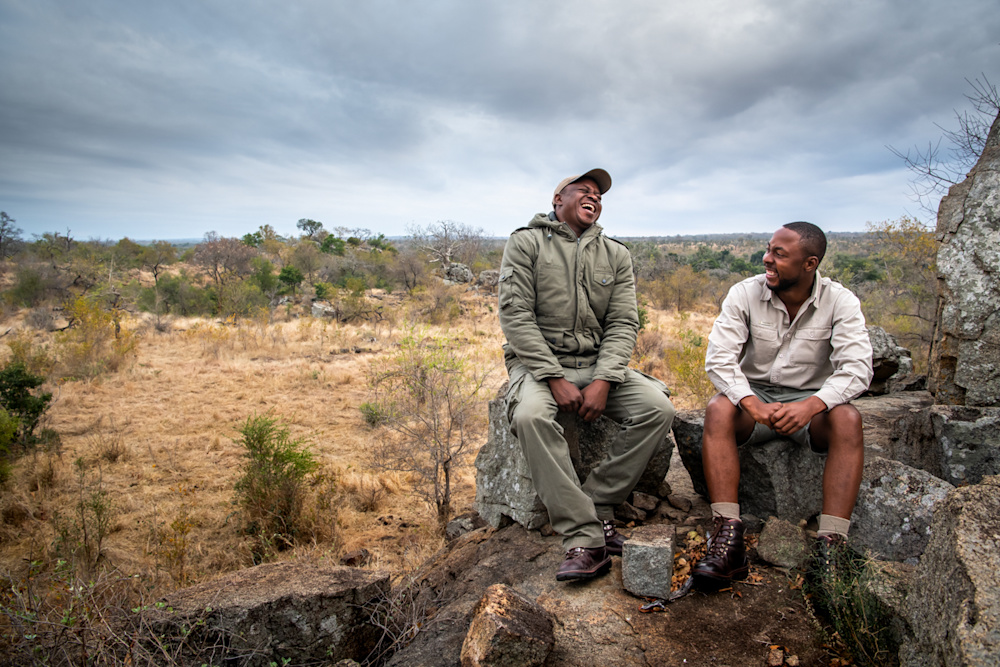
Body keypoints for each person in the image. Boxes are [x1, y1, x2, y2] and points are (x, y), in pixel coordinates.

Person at [498, 168, 675, 582]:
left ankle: (598, 500)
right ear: (558, 200)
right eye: (584, 190)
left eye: (598, 193)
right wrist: (552, 376)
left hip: (597, 364)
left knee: (657, 409)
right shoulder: (525, 243)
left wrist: (604, 379)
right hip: (539, 365)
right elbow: (515, 315)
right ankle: (584, 537)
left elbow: (623, 322)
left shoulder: (615, 254)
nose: (594, 196)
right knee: (529, 417)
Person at [692, 222, 873, 588]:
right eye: (768, 249)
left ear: (810, 264)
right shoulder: (745, 293)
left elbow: (857, 369)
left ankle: (831, 546)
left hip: (811, 408)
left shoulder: (841, 301)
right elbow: (720, 359)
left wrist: (812, 405)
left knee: (849, 419)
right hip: (754, 400)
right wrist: (751, 403)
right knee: (718, 409)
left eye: (779, 254)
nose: (767, 259)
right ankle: (728, 537)